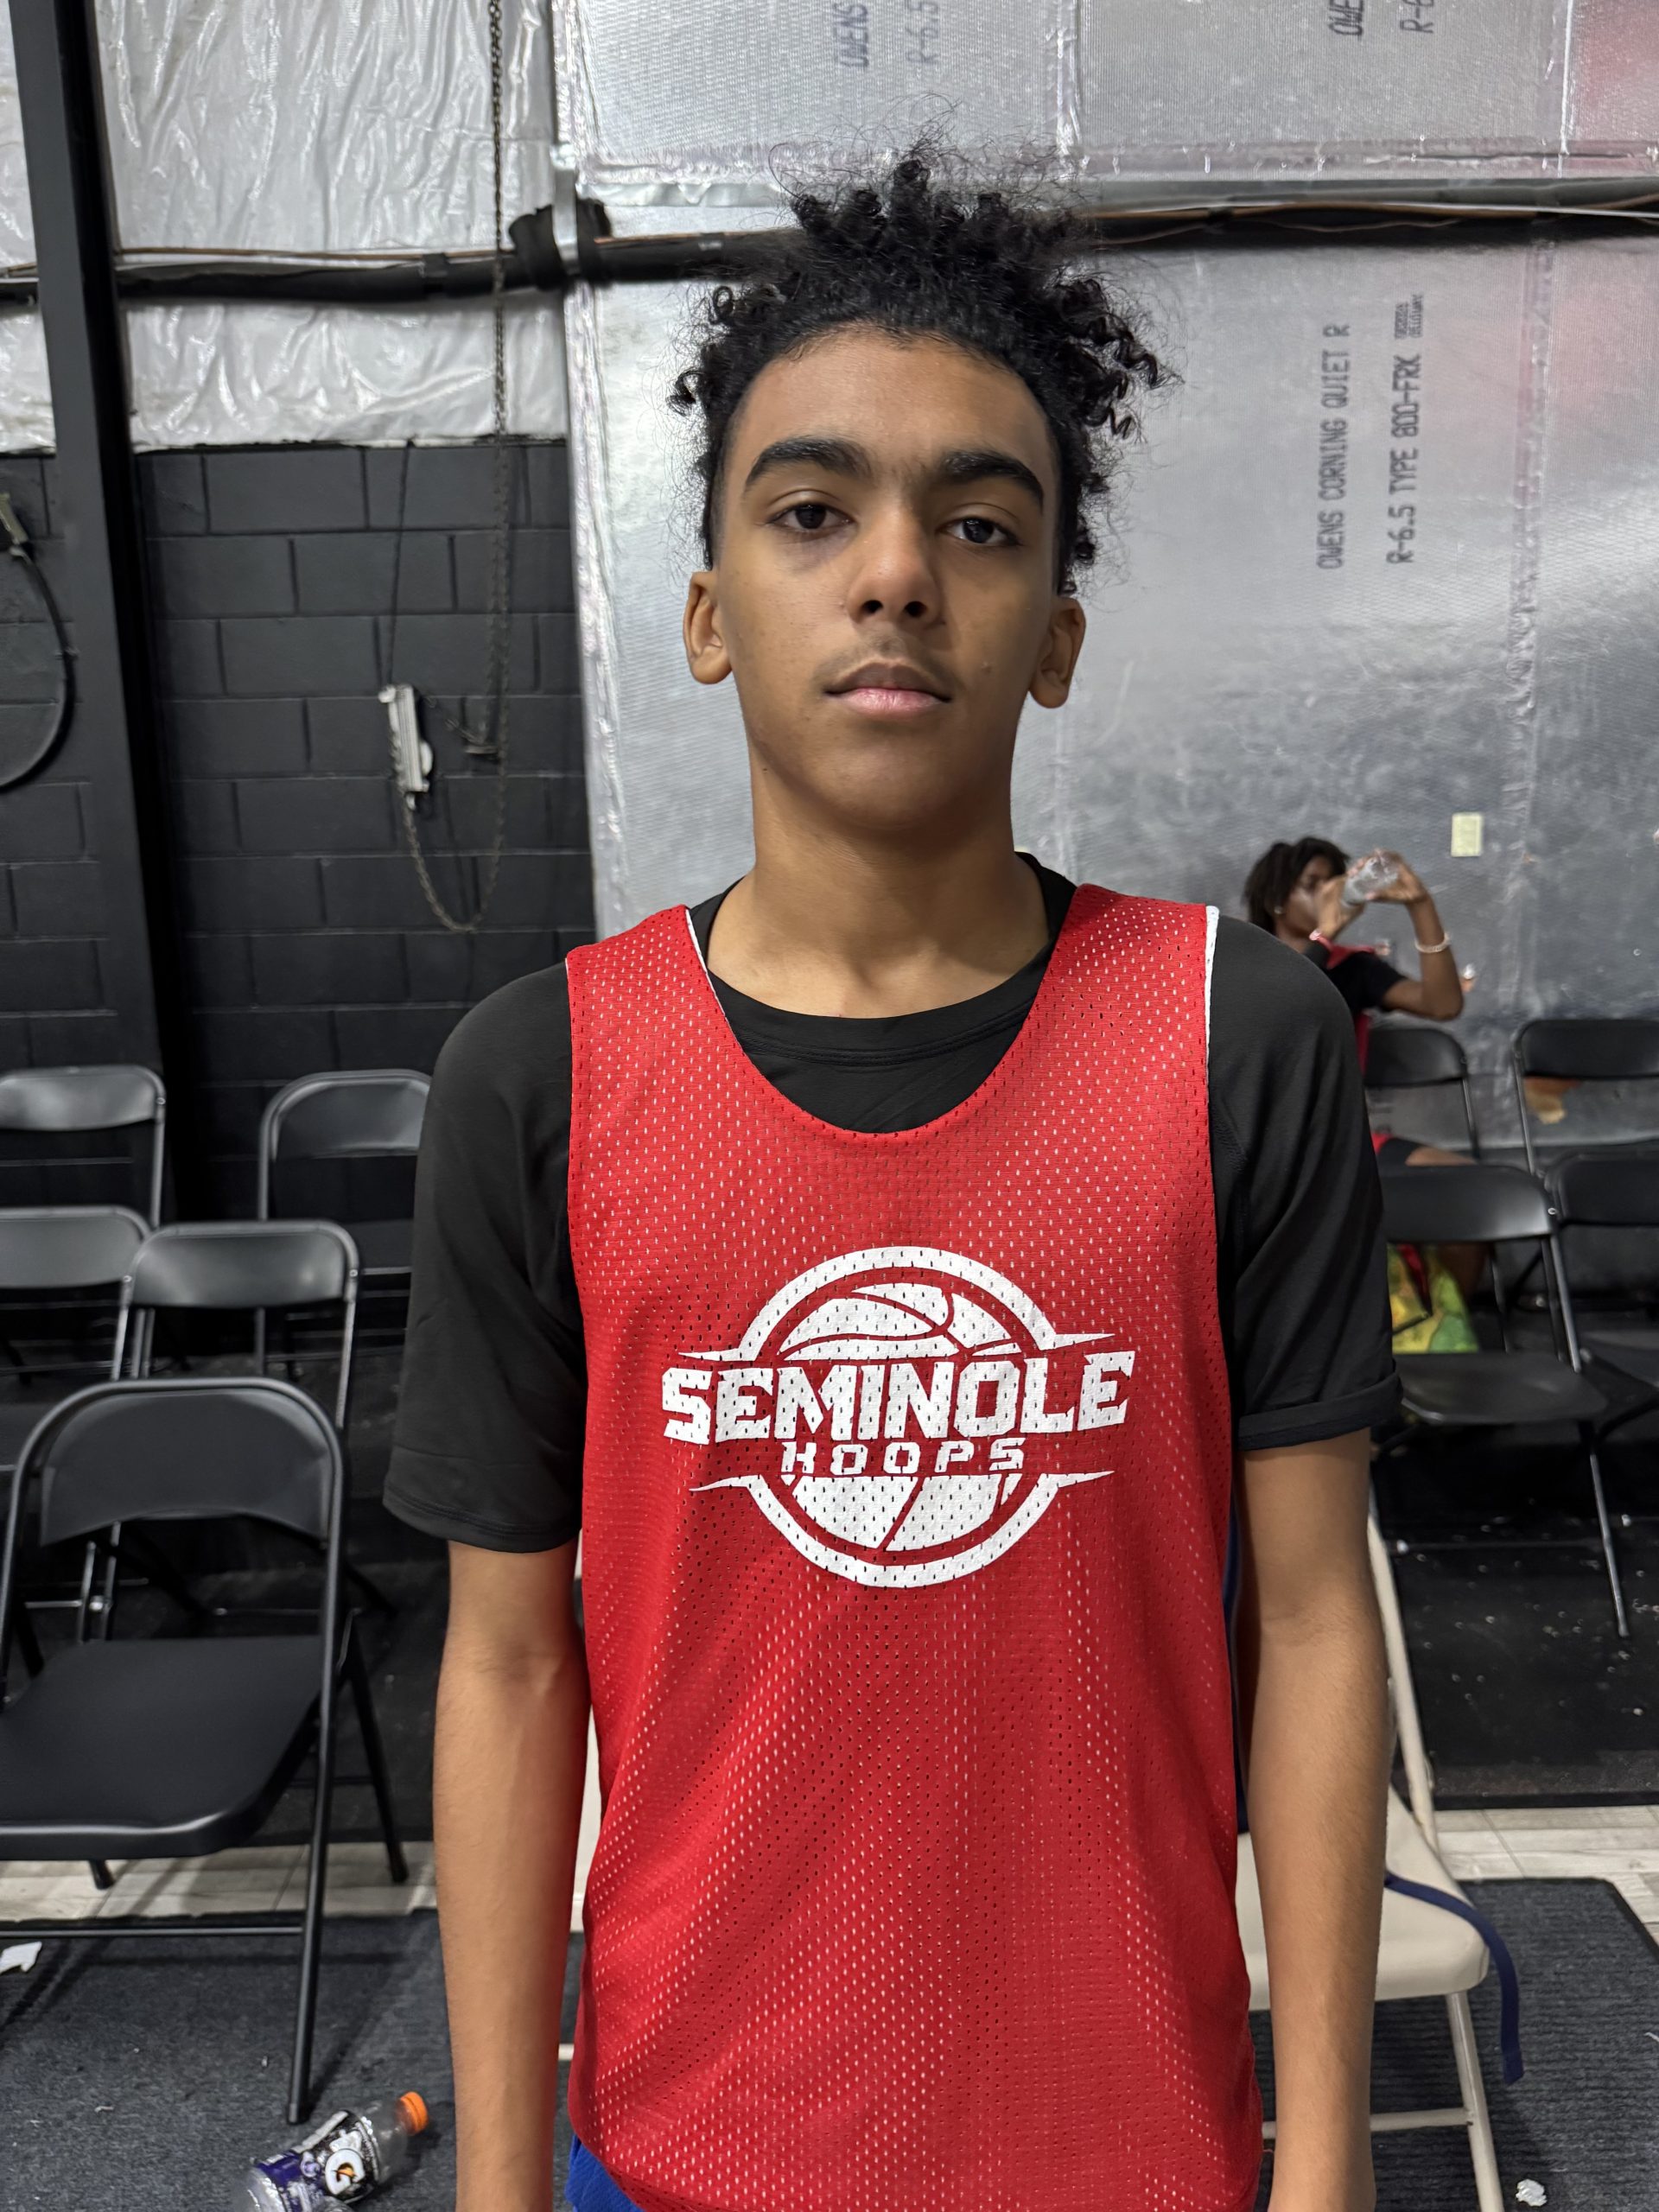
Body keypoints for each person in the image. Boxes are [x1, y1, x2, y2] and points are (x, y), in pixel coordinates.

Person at [386, 152, 1395, 2212]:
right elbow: (506, 1664)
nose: (898, 575)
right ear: (706, 614)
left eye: (980, 524)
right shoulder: (539, 1077)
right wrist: (497, 2183)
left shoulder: (1240, 1033)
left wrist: (1327, 2162)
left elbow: (1310, 1623)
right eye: (813, 510)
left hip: (1134, 2143)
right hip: (690, 2144)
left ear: (1055, 636)